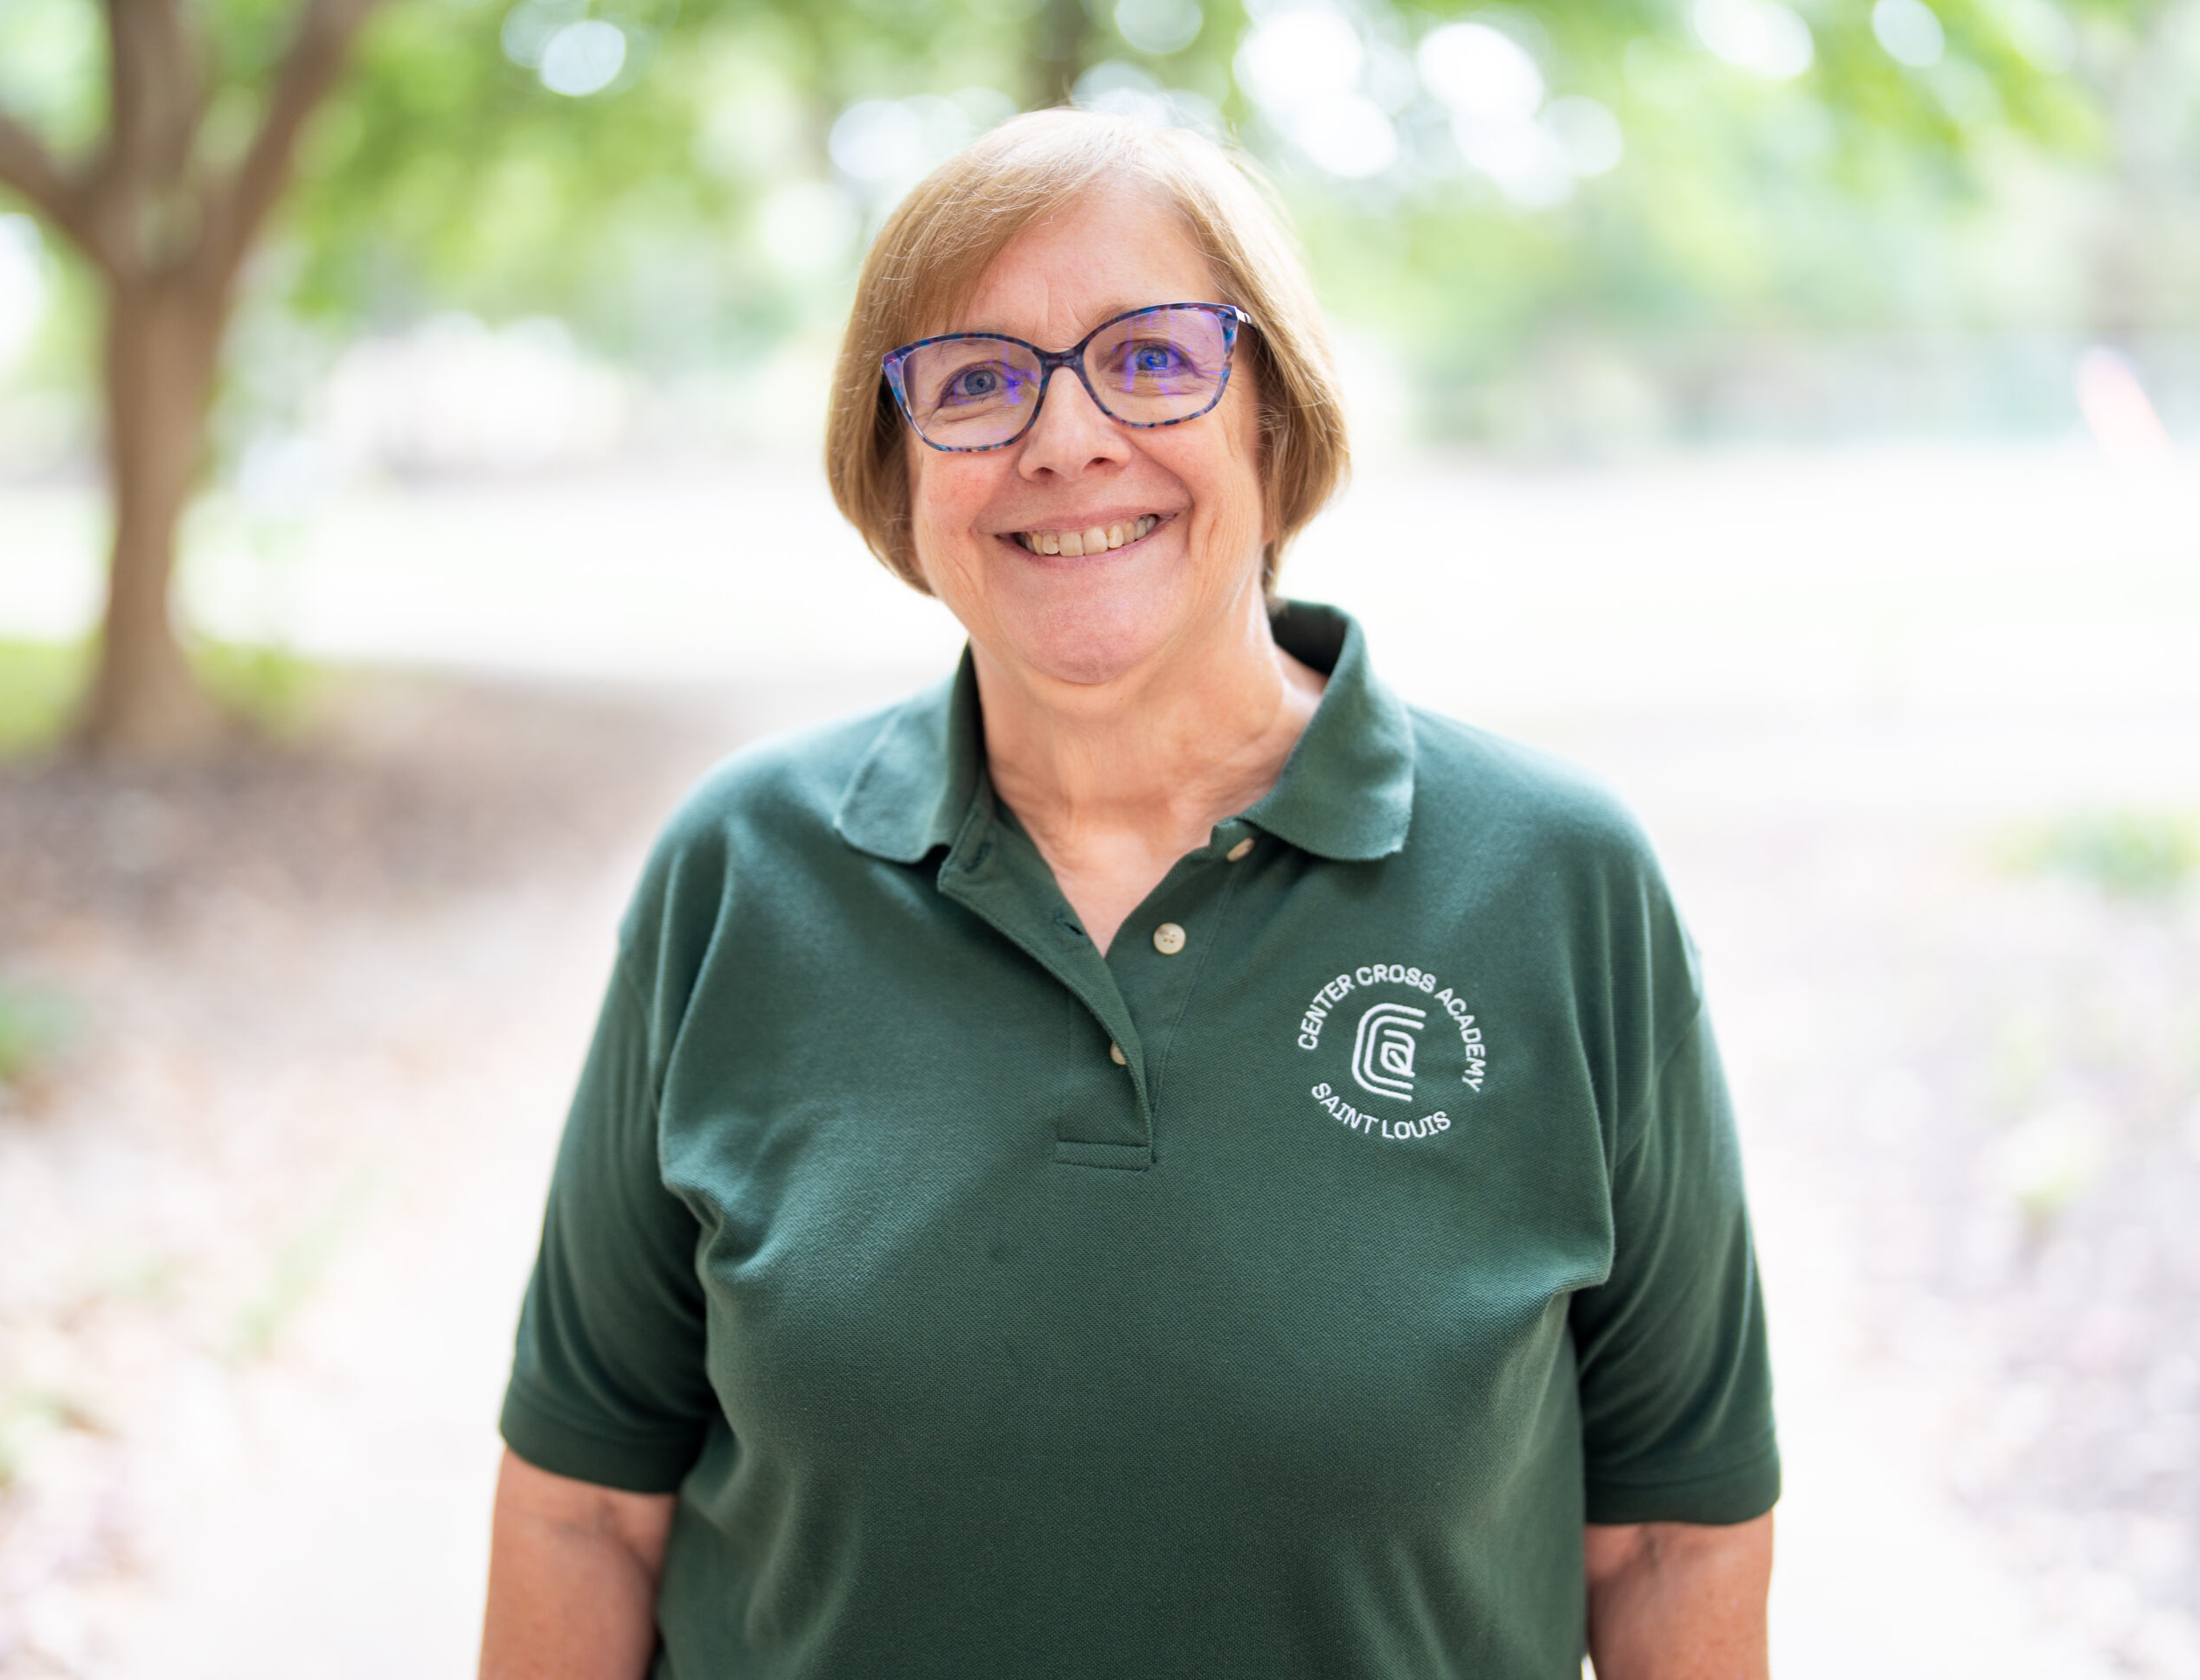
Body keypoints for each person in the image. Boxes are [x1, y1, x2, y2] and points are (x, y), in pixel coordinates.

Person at [478, 109, 1778, 1680]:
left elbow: (1667, 1539)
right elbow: (582, 1514)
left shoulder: (1562, 886)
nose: (1066, 440)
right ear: (898, 479)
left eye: (1153, 358)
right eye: (974, 380)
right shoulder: (736, 873)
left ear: (1274, 426)